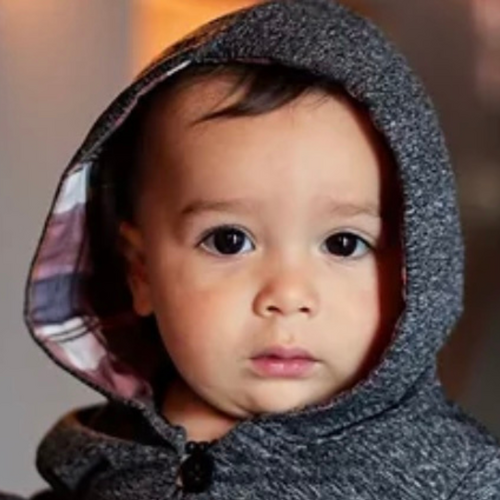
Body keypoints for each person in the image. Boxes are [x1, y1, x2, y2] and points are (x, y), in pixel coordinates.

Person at [3, 0, 500, 498]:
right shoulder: (101, 452)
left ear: (416, 268)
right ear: (142, 273)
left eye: (344, 243)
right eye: (230, 240)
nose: (287, 295)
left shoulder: (454, 479)